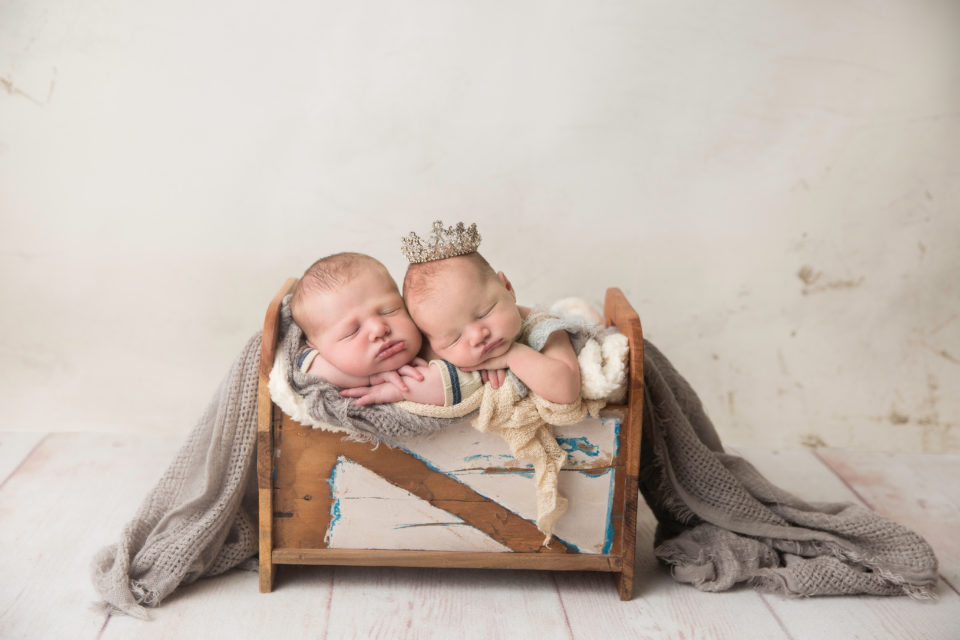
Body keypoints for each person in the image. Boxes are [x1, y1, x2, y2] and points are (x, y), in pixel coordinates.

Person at [401, 222, 581, 406]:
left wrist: (512, 356)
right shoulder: (433, 349)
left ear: (508, 288)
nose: (478, 336)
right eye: (455, 338)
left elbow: (567, 391)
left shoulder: (543, 327)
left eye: (484, 313)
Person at [290, 252, 451, 406]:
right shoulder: (317, 360)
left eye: (389, 311)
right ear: (317, 348)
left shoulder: (439, 340)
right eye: (352, 331)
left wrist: (400, 390)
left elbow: (459, 386)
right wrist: (368, 379)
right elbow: (306, 367)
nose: (379, 329)